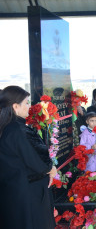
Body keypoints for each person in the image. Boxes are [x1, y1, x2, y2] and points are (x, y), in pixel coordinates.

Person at [0, 86, 56, 229]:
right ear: (15, 106)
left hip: (13, 191)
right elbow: (38, 161)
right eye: (26, 103)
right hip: (30, 194)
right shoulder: (20, 130)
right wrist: (51, 168)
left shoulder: (7, 128)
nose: (29, 106)